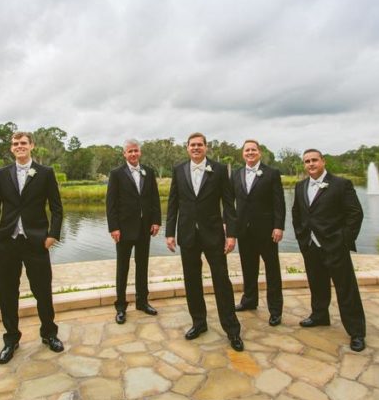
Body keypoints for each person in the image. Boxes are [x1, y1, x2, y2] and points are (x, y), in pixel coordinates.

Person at [0, 131, 64, 363]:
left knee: (43, 291)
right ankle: (11, 339)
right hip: (7, 243)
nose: (19, 146)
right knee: (7, 293)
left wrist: (52, 235)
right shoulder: (1, 175)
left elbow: (57, 208)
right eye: (15, 144)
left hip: (36, 242)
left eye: (23, 143)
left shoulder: (45, 173)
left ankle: (49, 334)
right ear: (11, 148)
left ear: (32, 146)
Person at [165, 133, 243, 351]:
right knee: (191, 280)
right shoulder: (179, 170)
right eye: (193, 145)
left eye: (200, 145)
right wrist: (169, 232)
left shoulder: (218, 170)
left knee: (221, 281)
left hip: (213, 234)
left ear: (206, 147)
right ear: (187, 148)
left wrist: (231, 234)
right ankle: (199, 323)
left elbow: (229, 204)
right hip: (187, 234)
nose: (196, 148)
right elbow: (173, 204)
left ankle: (232, 330)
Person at [291, 148, 366, 352]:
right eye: (307, 161)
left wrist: (343, 240)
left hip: (335, 246)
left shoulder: (341, 184)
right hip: (311, 246)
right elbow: (297, 214)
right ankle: (319, 315)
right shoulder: (300, 186)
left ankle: (356, 332)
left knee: (346, 289)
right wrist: (302, 239)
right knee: (317, 284)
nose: (311, 164)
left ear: (323, 161)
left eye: (314, 160)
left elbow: (355, 214)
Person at [106, 139, 162, 324]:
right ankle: (121, 306)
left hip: (144, 228)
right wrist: (113, 227)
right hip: (123, 230)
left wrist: (156, 221)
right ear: (124, 154)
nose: (133, 154)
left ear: (140, 152)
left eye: (136, 151)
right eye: (129, 151)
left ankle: (142, 302)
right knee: (123, 268)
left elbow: (154, 198)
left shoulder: (149, 171)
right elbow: (111, 203)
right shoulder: (116, 174)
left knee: (143, 265)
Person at [231, 140, 286, 326]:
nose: (250, 153)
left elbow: (279, 203)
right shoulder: (236, 174)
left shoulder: (271, 174)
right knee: (248, 267)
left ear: (259, 152)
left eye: (253, 150)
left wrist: (279, 226)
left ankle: (275, 310)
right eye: (247, 150)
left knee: (272, 270)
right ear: (242, 153)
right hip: (244, 231)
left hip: (267, 231)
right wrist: (229, 225)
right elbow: (230, 203)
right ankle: (249, 300)